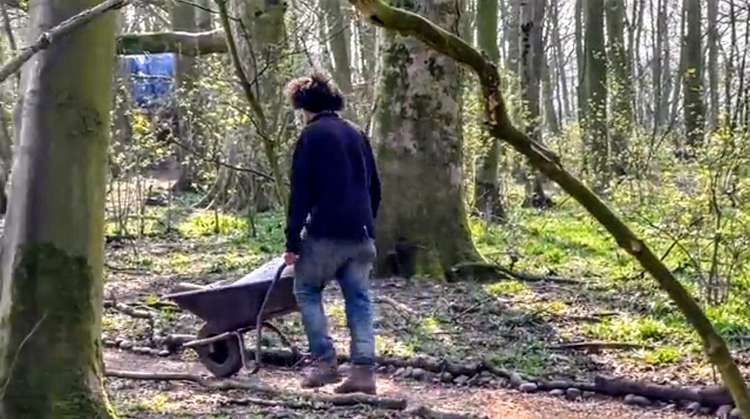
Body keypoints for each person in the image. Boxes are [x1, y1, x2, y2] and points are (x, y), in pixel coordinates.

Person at [283, 71, 381, 394]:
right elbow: (374, 188)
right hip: (361, 234)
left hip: (326, 234)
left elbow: (300, 194)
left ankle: (325, 363)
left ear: (305, 107)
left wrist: (292, 241)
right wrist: (368, 224)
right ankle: (364, 372)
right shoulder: (357, 133)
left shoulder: (310, 137)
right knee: (359, 299)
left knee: (307, 290)